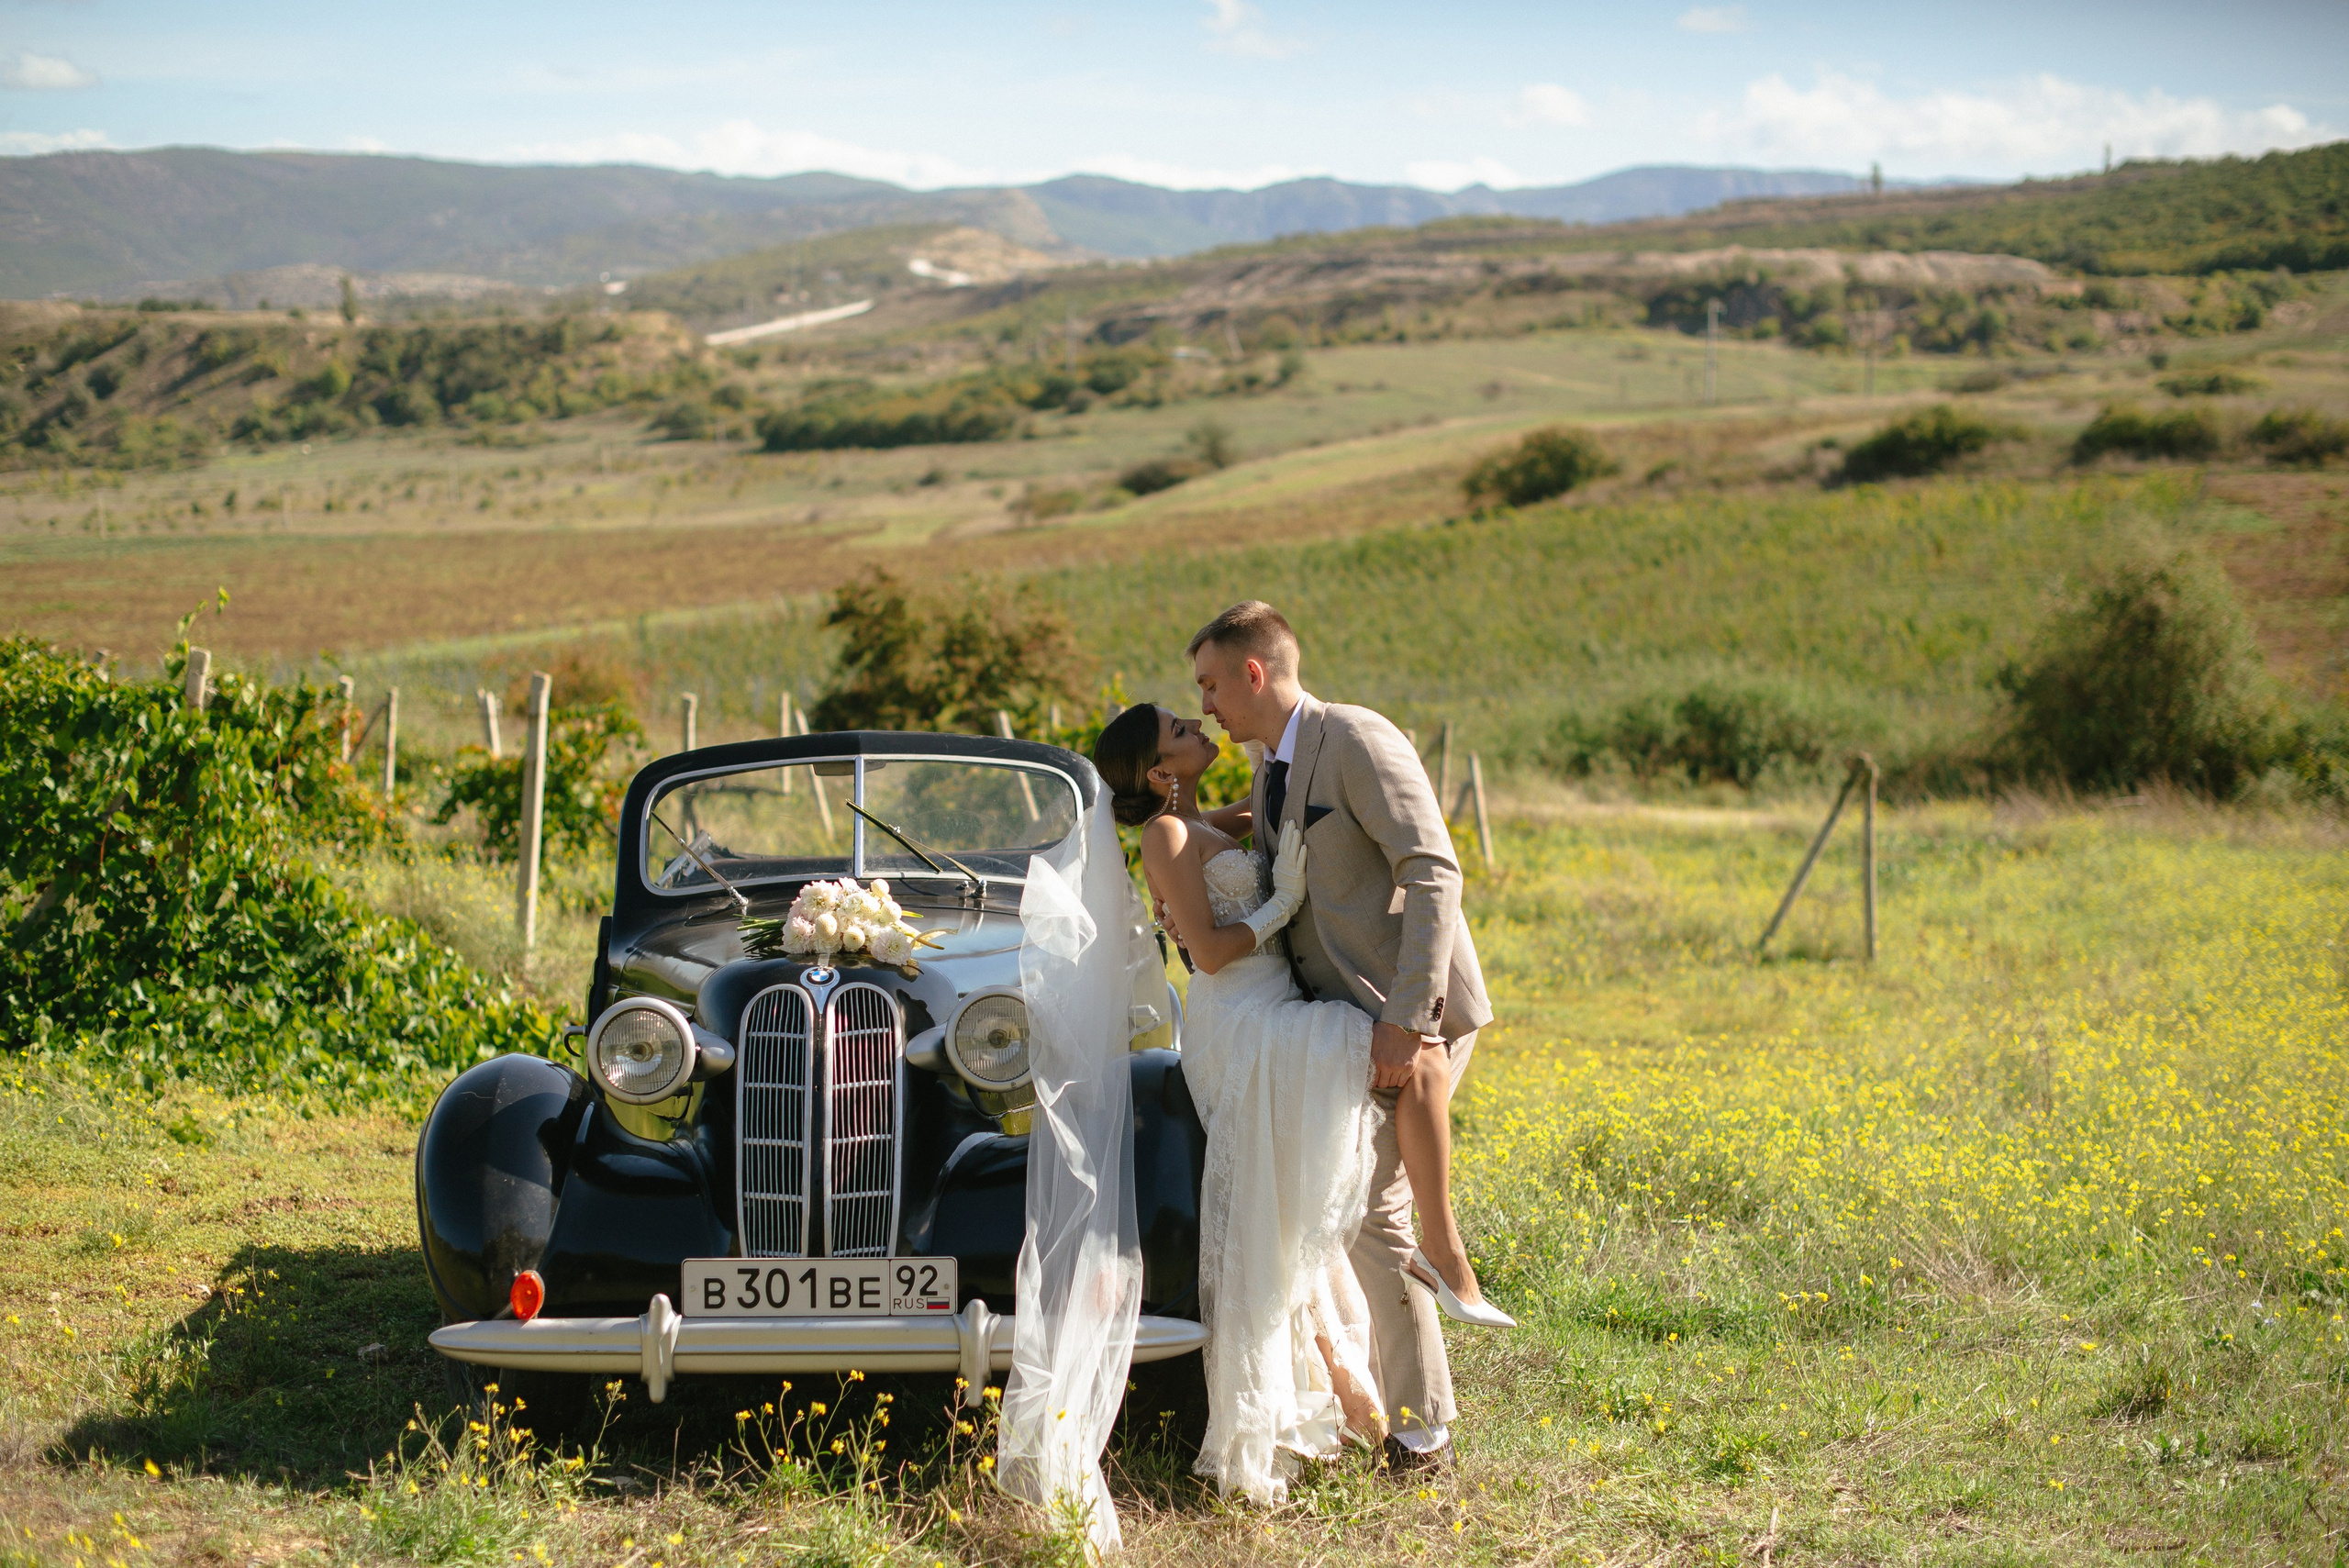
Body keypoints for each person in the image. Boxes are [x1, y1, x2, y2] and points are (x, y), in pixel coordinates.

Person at [1186, 600, 1500, 1474]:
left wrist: (1409, 1018)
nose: (1205, 703)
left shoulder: (1355, 738)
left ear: (1255, 672)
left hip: (1411, 1014)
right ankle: (1401, 1409)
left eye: (1211, 684)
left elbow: (1433, 869)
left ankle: (1422, 1430)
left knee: (1373, 1209)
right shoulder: (1269, 769)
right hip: (1340, 1030)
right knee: (1360, 1210)